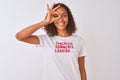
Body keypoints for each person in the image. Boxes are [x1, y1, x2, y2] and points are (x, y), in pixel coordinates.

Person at [15, 3, 87, 80]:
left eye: (64, 15)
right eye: (56, 16)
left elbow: (82, 70)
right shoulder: (46, 39)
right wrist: (45, 22)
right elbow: (19, 36)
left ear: (69, 18)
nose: (61, 19)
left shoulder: (79, 41)